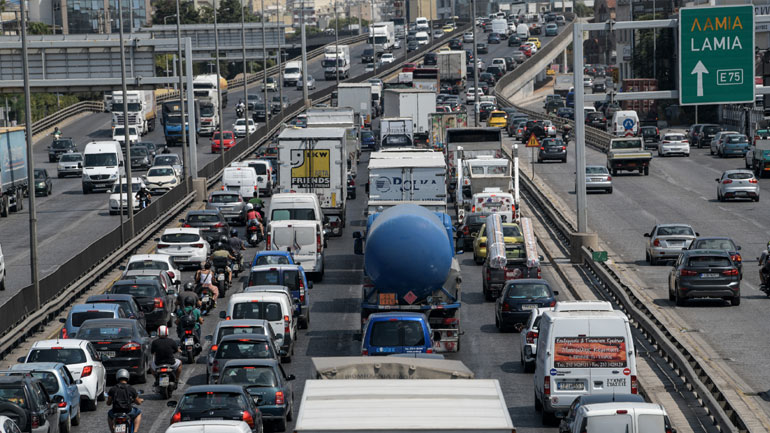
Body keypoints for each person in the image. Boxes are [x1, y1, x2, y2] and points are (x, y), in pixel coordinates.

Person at [106, 369, 143, 433]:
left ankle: (112, 431)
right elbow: (138, 402)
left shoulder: (113, 389)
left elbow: (108, 403)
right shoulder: (131, 389)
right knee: (138, 412)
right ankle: (135, 431)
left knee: (109, 414)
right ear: (127, 377)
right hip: (128, 411)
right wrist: (140, 400)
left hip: (115, 412)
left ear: (117, 377)